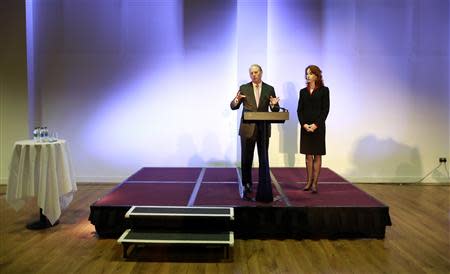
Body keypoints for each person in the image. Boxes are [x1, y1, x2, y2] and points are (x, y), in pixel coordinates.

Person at [230, 64, 280, 201]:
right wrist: (237, 100)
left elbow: (275, 109)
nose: (254, 75)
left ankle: (264, 184)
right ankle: (247, 184)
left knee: (263, 158)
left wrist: (274, 105)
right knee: (246, 159)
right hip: (247, 128)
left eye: (256, 72)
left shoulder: (270, 89)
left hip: (263, 129)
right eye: (251, 73)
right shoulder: (244, 88)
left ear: (261, 73)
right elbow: (233, 106)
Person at [297, 65, 330, 193]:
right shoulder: (303, 92)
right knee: (308, 155)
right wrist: (304, 124)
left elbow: (325, 110)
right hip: (306, 127)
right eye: (307, 73)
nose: (308, 76)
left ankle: (315, 183)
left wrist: (316, 125)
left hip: (318, 127)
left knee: (317, 155)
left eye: (310, 73)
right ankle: (308, 182)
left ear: (316, 75)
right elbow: (299, 110)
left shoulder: (324, 90)